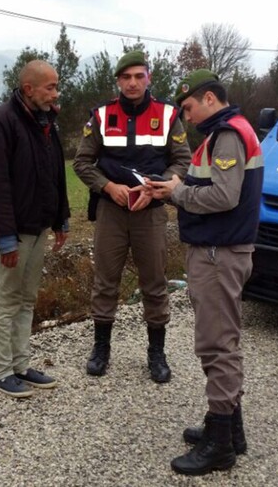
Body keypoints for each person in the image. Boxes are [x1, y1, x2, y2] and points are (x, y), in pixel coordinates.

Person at [146, 69, 263, 476]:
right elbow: (212, 184)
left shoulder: (228, 134)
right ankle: (231, 429)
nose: (186, 115)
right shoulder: (225, 133)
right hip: (220, 249)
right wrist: (175, 185)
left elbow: (224, 196)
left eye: (189, 106)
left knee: (216, 345)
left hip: (219, 252)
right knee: (222, 339)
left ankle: (220, 444)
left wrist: (175, 193)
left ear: (210, 99)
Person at [72, 50, 191, 383]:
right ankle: (101, 349)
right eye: (126, 77)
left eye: (139, 76)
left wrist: (159, 188)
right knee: (105, 282)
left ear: (148, 77)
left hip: (150, 213)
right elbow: (82, 163)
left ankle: (156, 353)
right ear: (118, 81)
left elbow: (183, 162)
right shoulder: (100, 115)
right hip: (112, 210)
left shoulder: (168, 115)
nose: (133, 83)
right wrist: (108, 187)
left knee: (154, 284)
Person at [0, 59, 70, 398]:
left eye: (56, 86)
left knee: (26, 299)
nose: (55, 93)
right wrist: (4, 238)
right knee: (6, 299)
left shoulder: (46, 124)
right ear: (29, 89)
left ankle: (20, 365)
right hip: (12, 234)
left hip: (39, 227)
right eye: (50, 87)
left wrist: (61, 218)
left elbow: (55, 174)